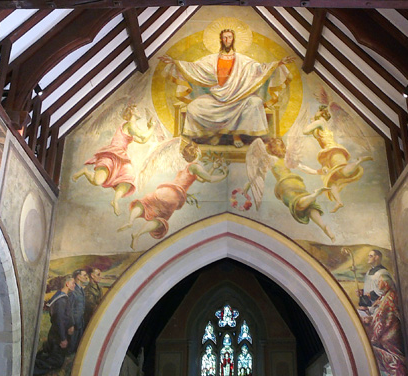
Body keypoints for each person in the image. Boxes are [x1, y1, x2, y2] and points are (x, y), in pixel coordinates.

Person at [160, 29, 293, 147]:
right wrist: (175, 63)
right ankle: (215, 134)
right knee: (193, 107)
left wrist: (278, 63)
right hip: (217, 97)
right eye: (224, 37)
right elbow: (195, 68)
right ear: (220, 40)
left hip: (239, 97)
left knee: (255, 102)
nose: (226, 40)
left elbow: (259, 69)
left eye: (229, 37)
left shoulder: (243, 60)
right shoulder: (212, 59)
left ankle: (235, 135)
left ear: (233, 39)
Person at [119, 141, 228, 249]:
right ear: (197, 153)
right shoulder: (195, 167)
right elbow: (209, 178)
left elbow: (202, 180)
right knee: (159, 219)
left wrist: (213, 167)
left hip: (165, 190)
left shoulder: (185, 166)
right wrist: (224, 175)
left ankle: (130, 221)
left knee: (145, 203)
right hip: (174, 197)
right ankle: (138, 234)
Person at [72, 105, 155, 215]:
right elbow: (143, 137)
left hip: (122, 157)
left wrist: (149, 129)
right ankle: (85, 172)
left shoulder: (132, 126)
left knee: (128, 178)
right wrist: (152, 127)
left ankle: (115, 201)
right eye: (137, 109)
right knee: (97, 181)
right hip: (112, 154)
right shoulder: (130, 125)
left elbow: (142, 140)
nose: (139, 111)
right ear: (132, 111)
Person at [257, 138, 335, 241]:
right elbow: (304, 168)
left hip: (285, 184)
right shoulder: (287, 159)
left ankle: (315, 194)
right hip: (297, 182)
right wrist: (319, 171)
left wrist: (248, 186)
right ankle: (324, 226)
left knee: (297, 204)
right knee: (309, 206)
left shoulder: (271, 160)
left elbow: (258, 173)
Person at [304, 105, 373, 213]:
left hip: (332, 150)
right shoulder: (321, 123)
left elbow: (305, 131)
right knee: (331, 181)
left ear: (322, 112)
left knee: (342, 171)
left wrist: (312, 121)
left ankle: (359, 160)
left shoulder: (320, 122)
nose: (315, 113)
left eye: (317, 111)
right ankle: (339, 202)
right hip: (327, 154)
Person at [361, 273, 408, 376]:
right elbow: (379, 316)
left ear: (386, 283)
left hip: (389, 337)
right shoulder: (385, 296)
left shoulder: (389, 299)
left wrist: (372, 338)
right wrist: (370, 317)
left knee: (376, 353)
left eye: (379, 281)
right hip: (385, 332)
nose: (377, 284)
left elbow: (383, 320)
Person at [33, 276, 76, 376]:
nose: (74, 285)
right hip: (58, 334)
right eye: (73, 283)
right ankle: (33, 370)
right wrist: (63, 338)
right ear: (67, 284)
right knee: (57, 361)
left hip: (57, 333)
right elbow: (59, 320)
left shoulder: (62, 297)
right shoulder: (61, 300)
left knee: (53, 355)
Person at [69, 269, 88, 353]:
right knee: (71, 345)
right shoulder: (73, 290)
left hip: (80, 321)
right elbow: (70, 309)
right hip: (73, 323)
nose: (86, 277)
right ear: (78, 277)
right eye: (84, 275)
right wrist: (71, 324)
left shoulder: (81, 289)